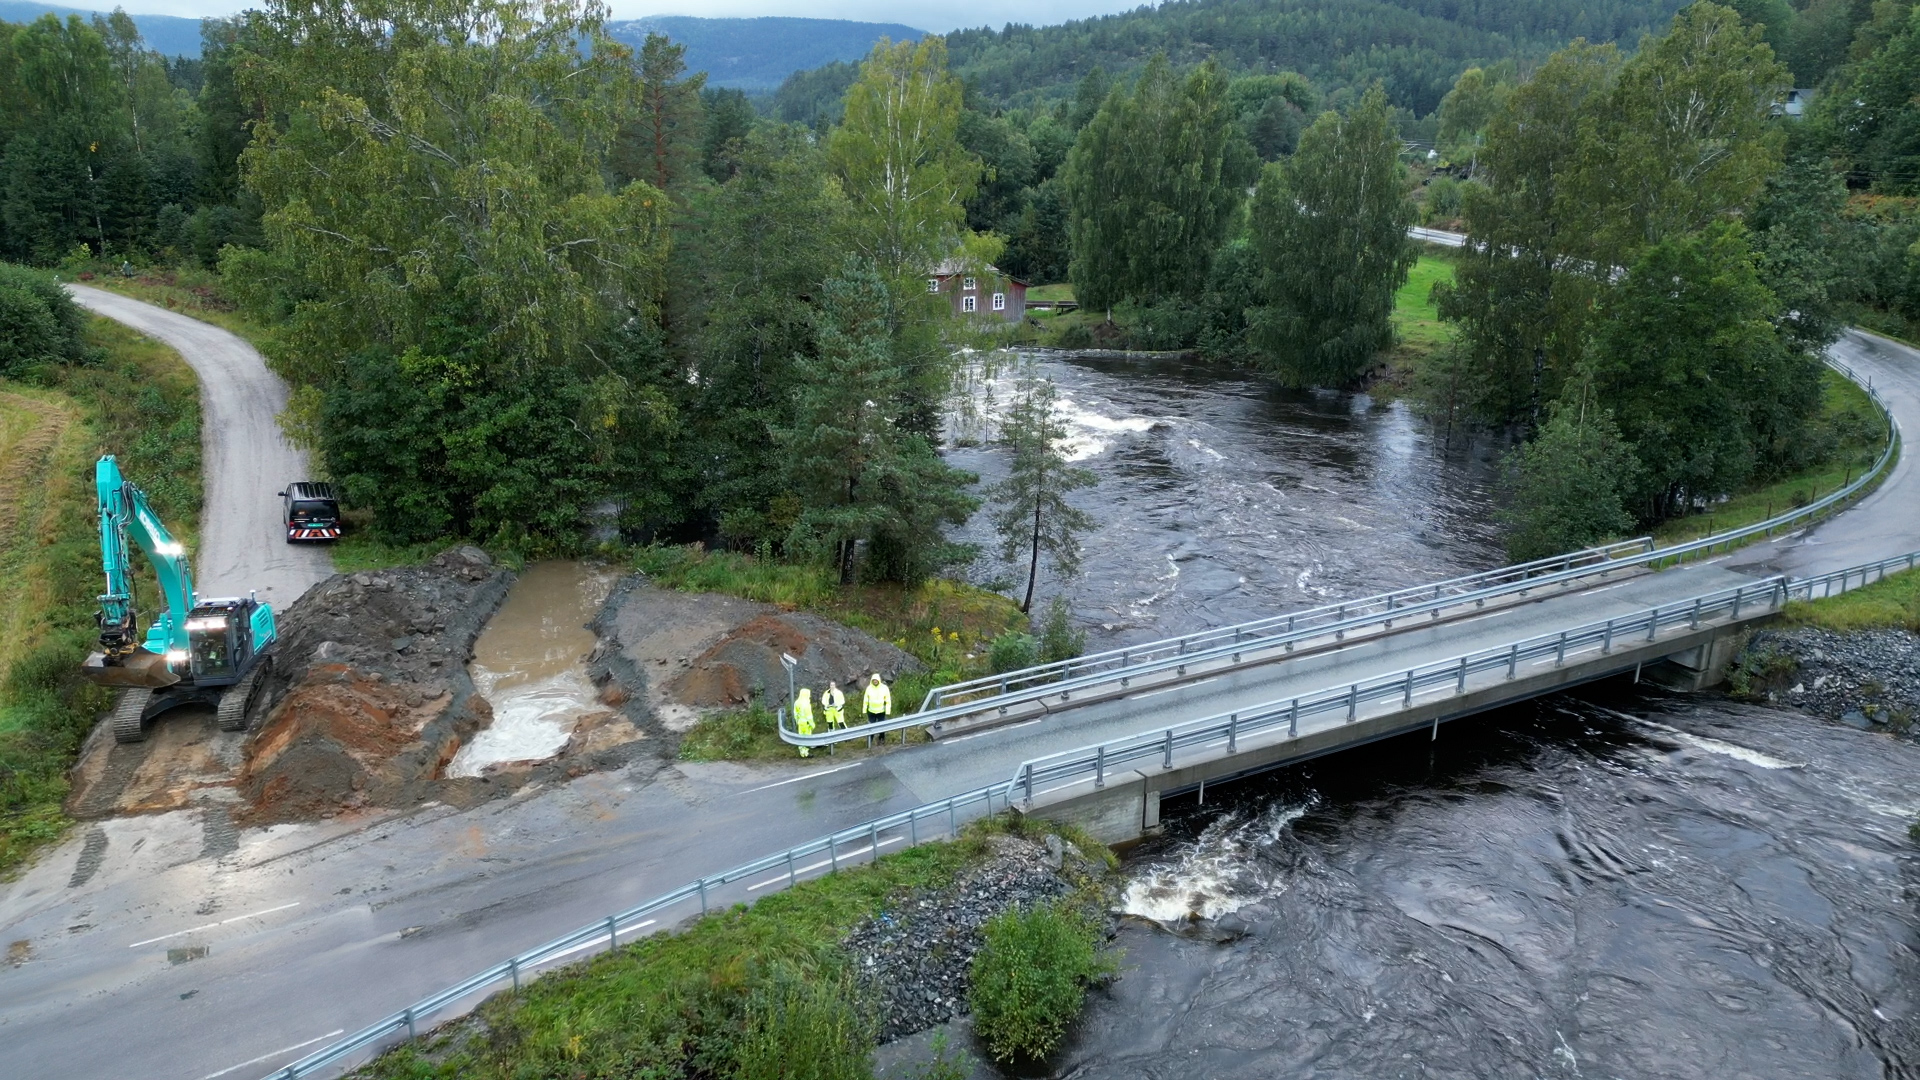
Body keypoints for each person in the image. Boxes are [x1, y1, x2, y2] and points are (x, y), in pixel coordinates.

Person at [793, 687, 814, 758]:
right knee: (807, 738)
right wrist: (812, 724)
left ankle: (802, 752)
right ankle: (806, 753)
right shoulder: (806, 704)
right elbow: (809, 716)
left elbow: (795, 714)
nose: (809, 696)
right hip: (806, 724)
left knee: (801, 737)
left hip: (800, 723)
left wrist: (797, 721)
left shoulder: (797, 702)